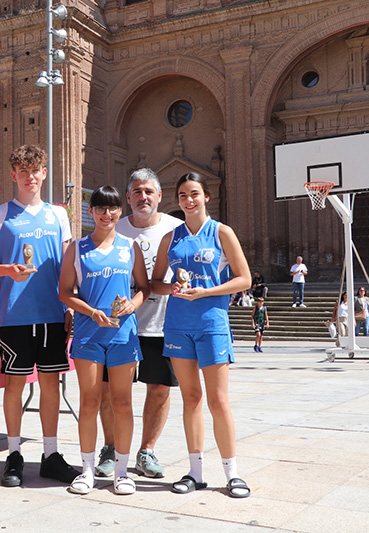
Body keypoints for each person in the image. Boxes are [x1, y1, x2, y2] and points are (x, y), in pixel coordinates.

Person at [0, 145, 79, 488]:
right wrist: (8, 270)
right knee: (14, 385)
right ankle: (14, 454)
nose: (30, 177)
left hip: (52, 314)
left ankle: (50, 455)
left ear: (44, 174)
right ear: (13, 175)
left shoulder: (58, 215)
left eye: (36, 171)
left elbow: (67, 265)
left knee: (51, 385)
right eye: (23, 171)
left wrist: (70, 306)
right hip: (15, 315)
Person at [151, 171, 252, 499]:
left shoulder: (221, 232)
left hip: (212, 324)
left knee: (218, 400)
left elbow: (245, 279)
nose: (188, 200)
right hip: (178, 325)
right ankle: (195, 471)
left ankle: (232, 473)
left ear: (206, 197)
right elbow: (155, 283)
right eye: (182, 195)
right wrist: (174, 288)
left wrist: (206, 292)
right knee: (190, 398)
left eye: (194, 194)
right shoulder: (171, 238)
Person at [59, 185, 150, 496]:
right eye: (100, 208)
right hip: (88, 334)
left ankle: (122, 472)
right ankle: (86, 469)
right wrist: (92, 311)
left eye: (112, 209)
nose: (107, 214)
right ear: (91, 212)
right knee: (89, 401)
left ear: (119, 211)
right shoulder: (76, 248)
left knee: (123, 403)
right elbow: (65, 293)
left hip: (123, 336)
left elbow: (144, 288)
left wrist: (132, 305)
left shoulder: (130, 247)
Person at [94, 168, 182, 480]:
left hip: (162, 325)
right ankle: (110, 447)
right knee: (109, 391)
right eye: (137, 192)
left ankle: (147, 450)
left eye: (149, 192)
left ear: (159, 196)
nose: (143, 197)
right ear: (128, 197)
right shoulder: (112, 228)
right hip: (117, 328)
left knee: (159, 389)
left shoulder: (177, 229)